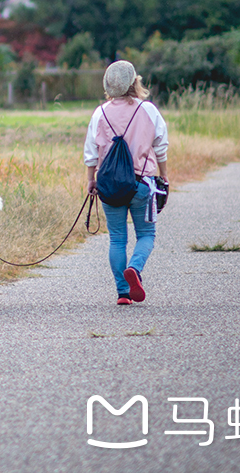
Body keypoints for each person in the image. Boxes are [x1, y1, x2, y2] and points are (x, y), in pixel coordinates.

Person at [84, 61, 169, 306]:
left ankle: (123, 293)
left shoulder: (100, 113)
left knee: (117, 238)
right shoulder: (148, 110)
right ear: (135, 82)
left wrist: (90, 180)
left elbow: (91, 152)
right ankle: (135, 268)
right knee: (146, 234)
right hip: (142, 183)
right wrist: (164, 176)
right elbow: (160, 147)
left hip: (109, 186)